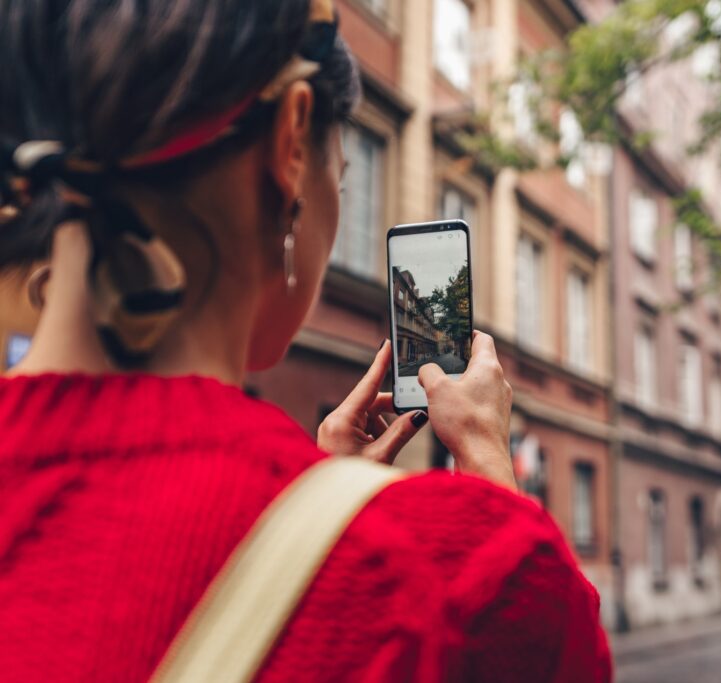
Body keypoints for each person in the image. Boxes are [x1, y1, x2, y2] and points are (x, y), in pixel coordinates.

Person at [0, 1, 612, 681]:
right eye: (343, 174)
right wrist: (485, 457)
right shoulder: (444, 576)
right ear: (292, 144)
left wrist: (314, 500)